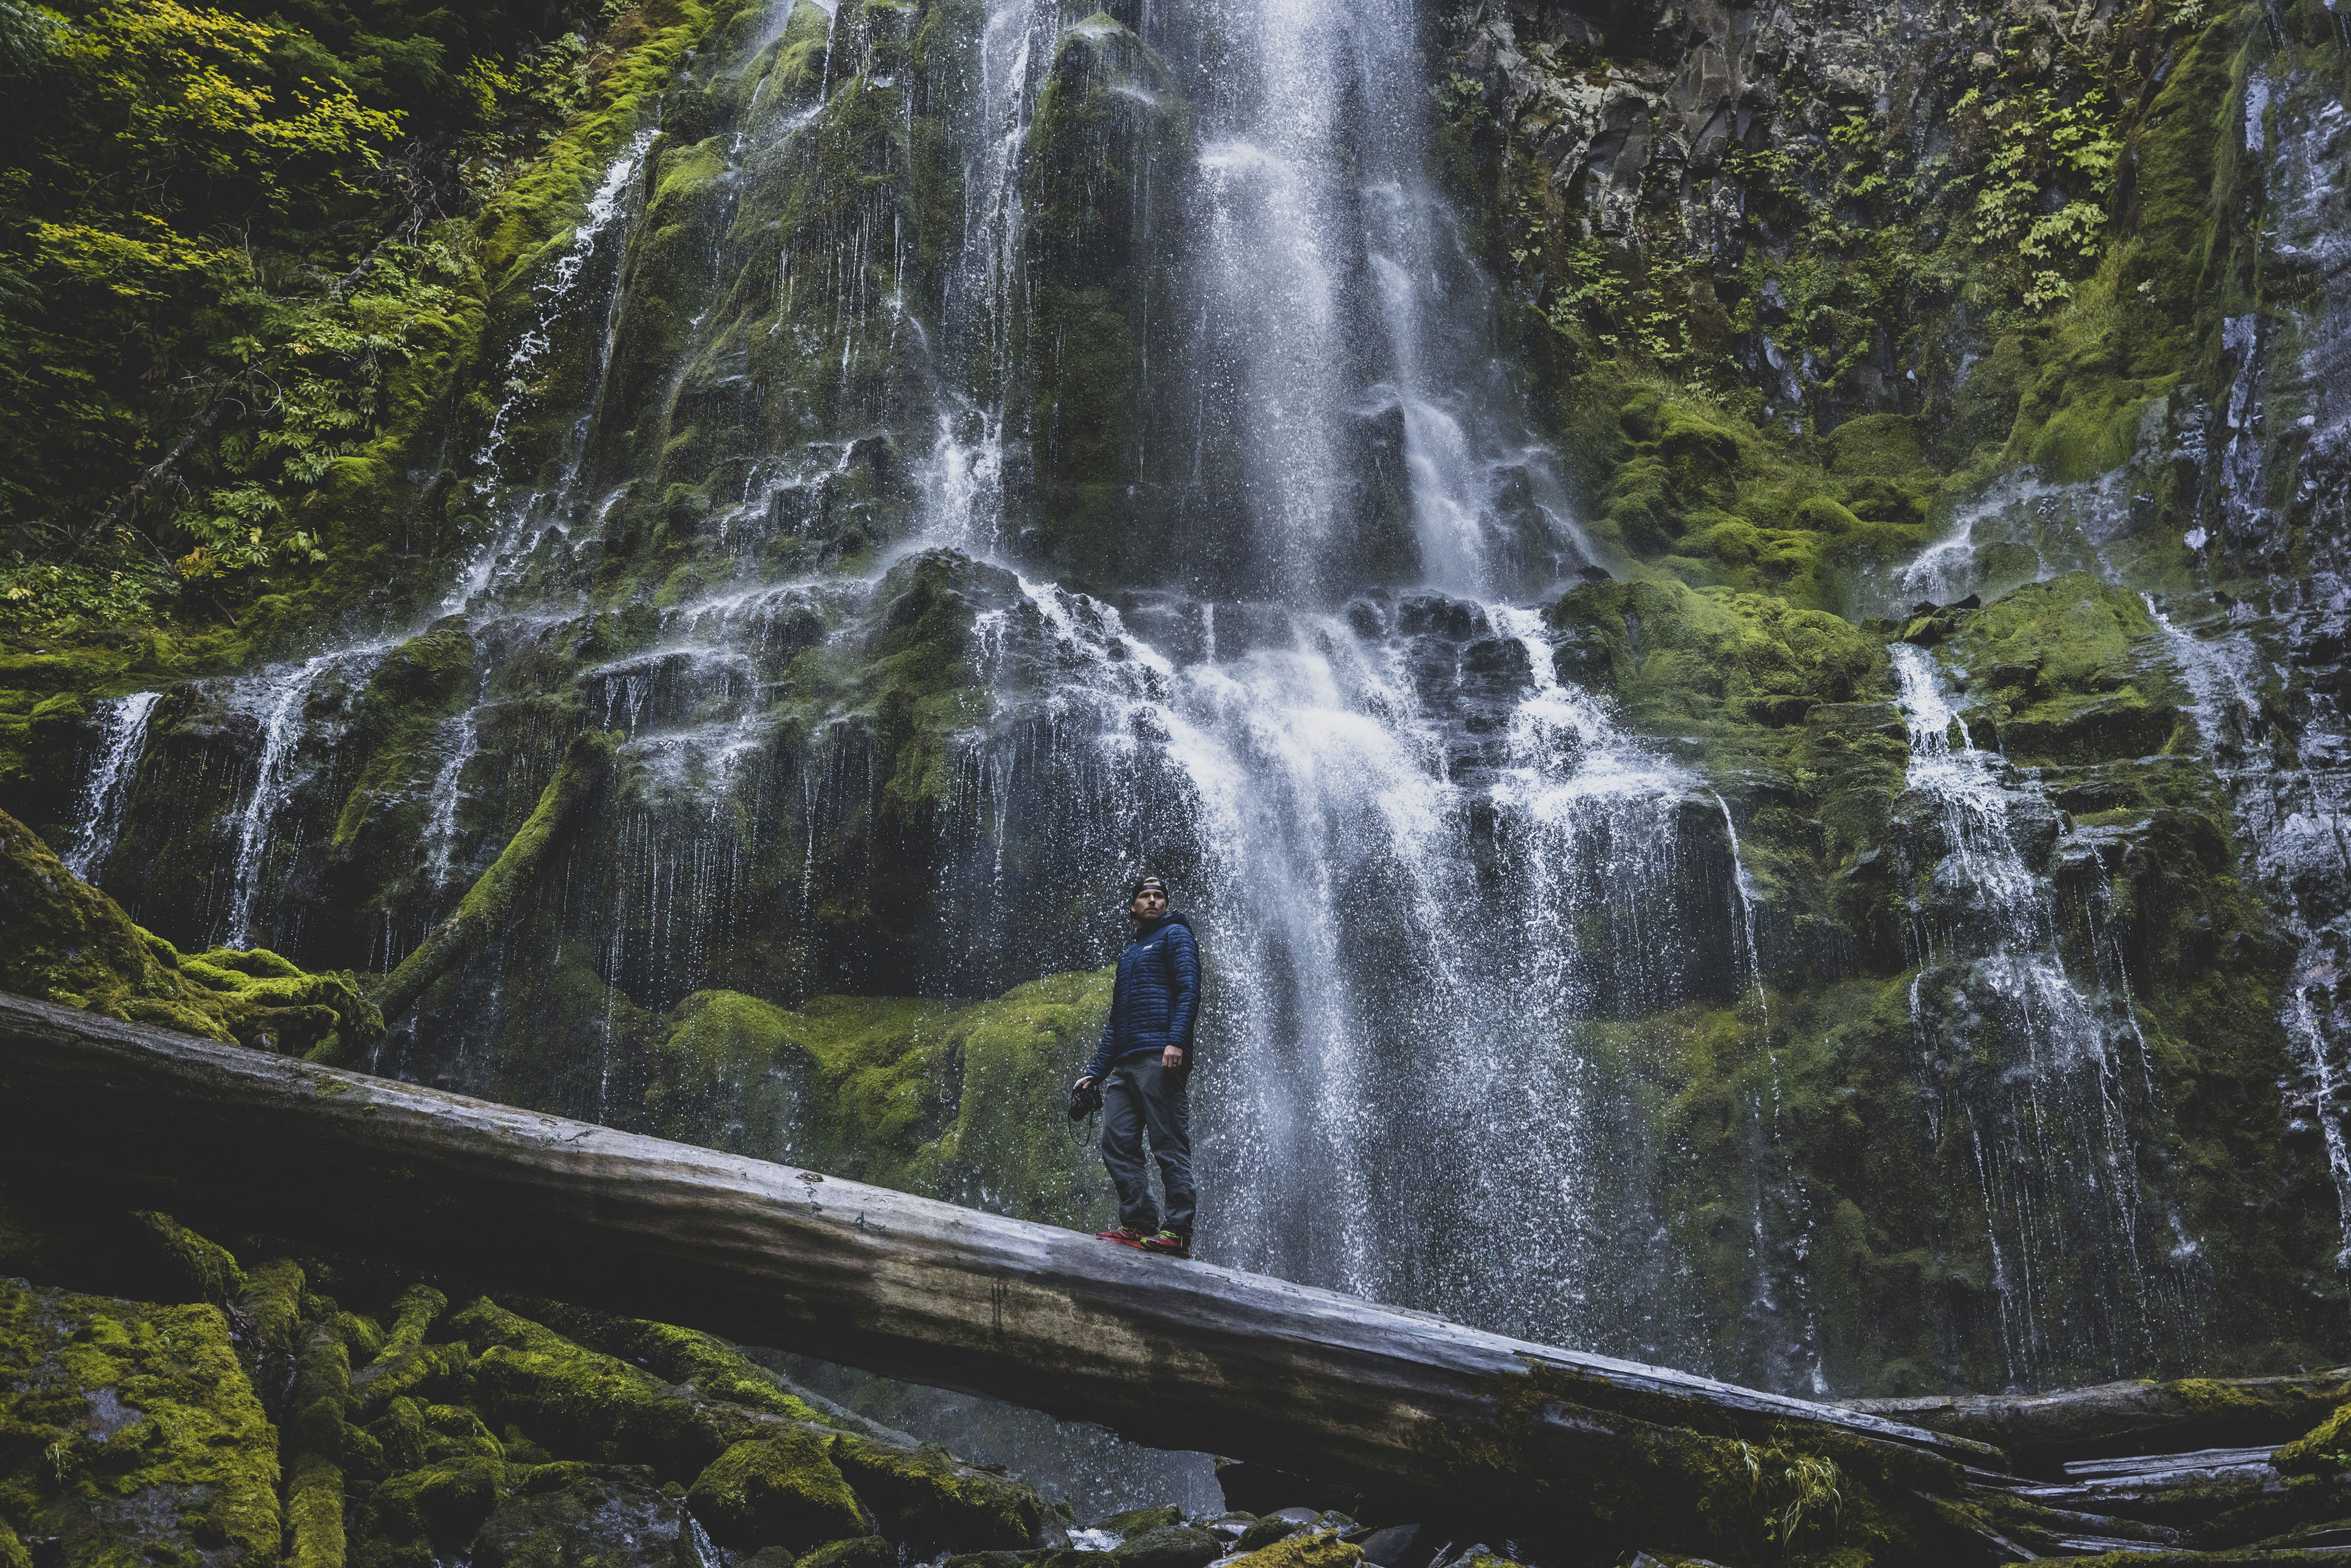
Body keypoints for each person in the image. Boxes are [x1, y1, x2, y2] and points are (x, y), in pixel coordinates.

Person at [1073, 875, 1200, 1258]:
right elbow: (1117, 1020)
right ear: (1132, 907)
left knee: (1167, 1142)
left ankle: (1177, 1230)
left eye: (1158, 895)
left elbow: (1189, 989)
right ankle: (1139, 1222)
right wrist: (1096, 1070)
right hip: (1125, 1064)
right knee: (1116, 1139)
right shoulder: (1129, 955)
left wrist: (1176, 1041)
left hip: (1159, 1056)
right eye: (1144, 896)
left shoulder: (1176, 935)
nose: (1152, 900)